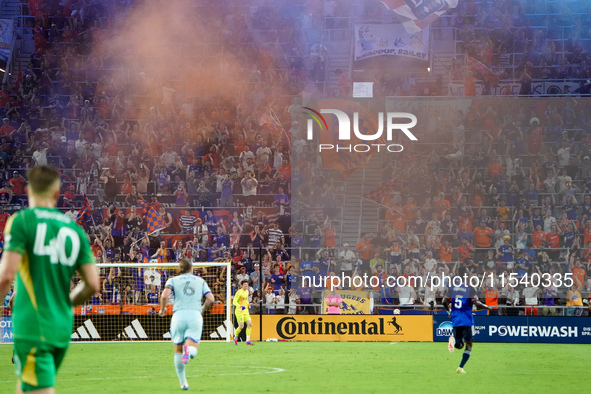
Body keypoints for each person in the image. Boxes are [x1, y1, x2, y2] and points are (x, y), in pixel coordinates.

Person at [0, 165, 100, 393]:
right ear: (56, 194)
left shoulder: (21, 221)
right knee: (28, 386)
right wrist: (67, 303)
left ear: (28, 191)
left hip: (34, 326)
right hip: (61, 328)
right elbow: (93, 283)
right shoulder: (74, 230)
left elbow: (5, 277)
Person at [159, 258, 215, 391]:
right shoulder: (200, 281)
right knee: (193, 349)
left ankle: (183, 383)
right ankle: (188, 351)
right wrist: (203, 309)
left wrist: (162, 309)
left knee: (177, 350)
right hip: (195, 315)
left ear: (180, 269)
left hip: (178, 316)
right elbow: (211, 299)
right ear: (191, 269)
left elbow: (164, 295)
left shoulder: (172, 280)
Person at [442, 268, 491, 374]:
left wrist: (449, 312)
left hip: (455, 320)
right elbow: (476, 303)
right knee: (469, 343)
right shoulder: (470, 288)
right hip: (467, 320)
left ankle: (454, 341)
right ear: (467, 275)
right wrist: (487, 307)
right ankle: (460, 367)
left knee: (460, 345)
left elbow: (443, 301)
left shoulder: (452, 288)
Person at [232, 279, 255, 345]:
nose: (246, 286)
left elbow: (246, 300)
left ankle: (248, 340)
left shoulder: (247, 292)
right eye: (245, 284)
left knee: (250, 324)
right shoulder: (239, 292)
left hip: (246, 311)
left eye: (247, 284)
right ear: (241, 285)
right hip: (239, 311)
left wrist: (248, 304)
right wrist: (240, 306)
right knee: (241, 326)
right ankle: (235, 337)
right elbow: (234, 302)